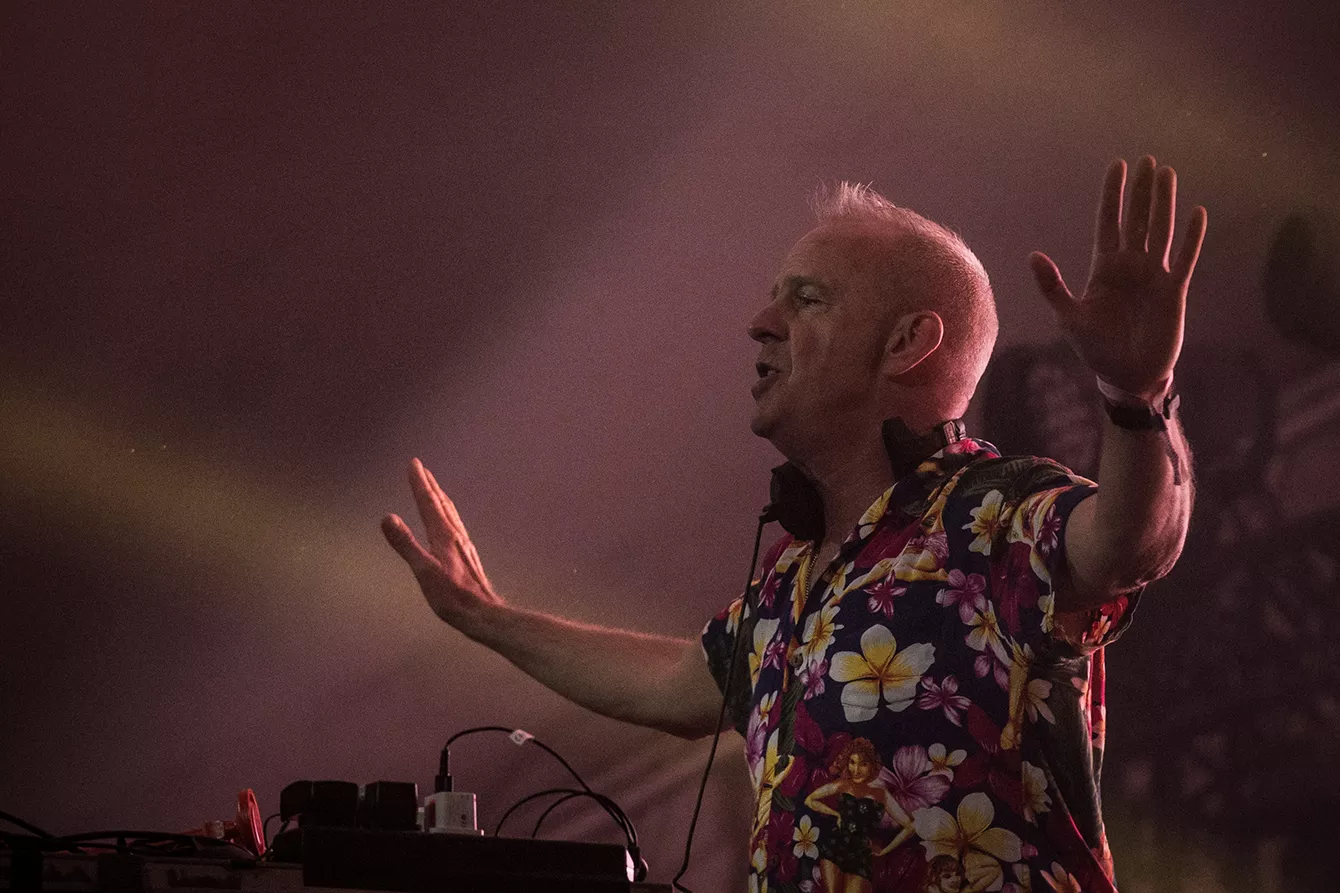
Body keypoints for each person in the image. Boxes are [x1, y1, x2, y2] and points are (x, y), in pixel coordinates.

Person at [381, 156, 1203, 892]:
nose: (761, 322)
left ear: (908, 341)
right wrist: (486, 617)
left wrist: (1137, 398)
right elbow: (672, 683)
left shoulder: (997, 512)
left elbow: (1132, 542)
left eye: (806, 299)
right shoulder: (790, 578)